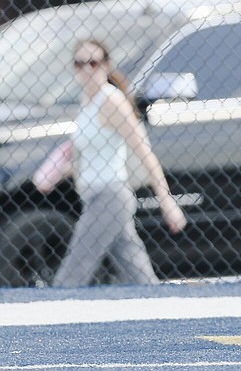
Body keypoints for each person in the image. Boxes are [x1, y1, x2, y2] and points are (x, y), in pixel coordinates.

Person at [33, 39, 186, 287]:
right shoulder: (87, 102)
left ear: (106, 65)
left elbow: (143, 151)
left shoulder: (111, 101)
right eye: (79, 64)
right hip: (93, 195)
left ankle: (53, 315)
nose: (86, 70)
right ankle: (160, 308)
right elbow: (95, 152)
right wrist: (63, 169)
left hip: (109, 197)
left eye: (93, 63)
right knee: (138, 275)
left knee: (71, 274)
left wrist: (166, 201)